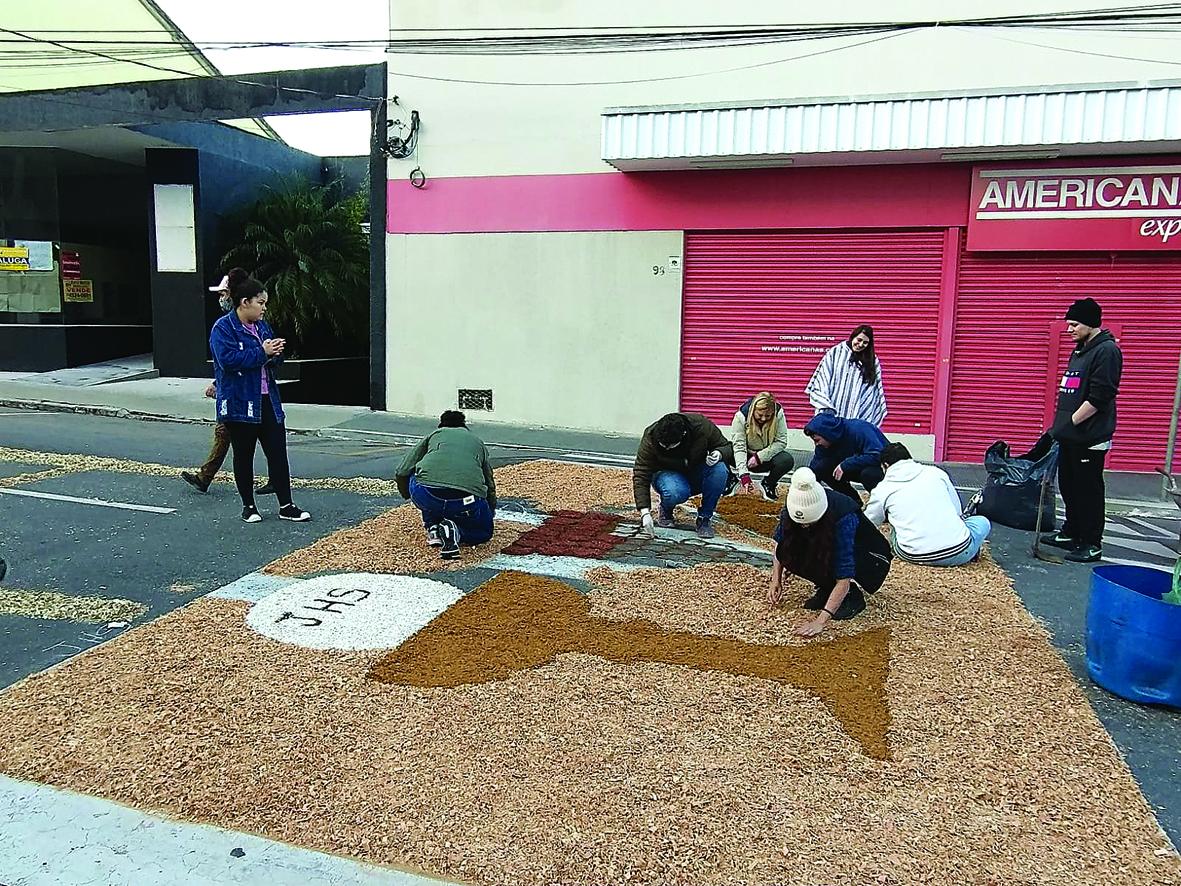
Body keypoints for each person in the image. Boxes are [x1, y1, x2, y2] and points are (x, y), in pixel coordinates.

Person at [209, 269, 310, 524]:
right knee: (243, 455)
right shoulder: (224, 328)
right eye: (261, 303)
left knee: (278, 452)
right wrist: (262, 352)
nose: (264, 309)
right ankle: (248, 506)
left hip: (267, 398)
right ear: (245, 303)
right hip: (239, 401)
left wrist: (275, 354)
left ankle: (287, 505)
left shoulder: (262, 326)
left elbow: (273, 359)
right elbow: (228, 361)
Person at [1041, 297, 1122, 563]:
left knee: (1088, 490)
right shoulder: (1080, 349)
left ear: (1090, 323)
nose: (1069, 329)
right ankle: (1072, 531)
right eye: (1068, 324)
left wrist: (1070, 422)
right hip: (1070, 434)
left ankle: (1091, 542)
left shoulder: (1106, 351)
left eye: (1074, 324)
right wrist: (1062, 427)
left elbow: (1100, 397)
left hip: (1090, 436)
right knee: (1069, 485)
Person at [768, 467, 893, 637]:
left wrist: (820, 621)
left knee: (827, 554)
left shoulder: (843, 514)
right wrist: (776, 580)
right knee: (792, 550)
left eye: (810, 522)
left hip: (870, 558)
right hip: (826, 542)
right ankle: (827, 588)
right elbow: (780, 544)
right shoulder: (790, 509)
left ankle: (850, 595)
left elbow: (844, 569)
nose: (805, 526)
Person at [180, 272, 273, 497]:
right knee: (235, 437)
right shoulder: (226, 325)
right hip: (235, 390)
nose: (220, 297)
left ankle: (212, 479)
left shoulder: (245, 324)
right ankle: (208, 476)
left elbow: (233, 360)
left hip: (241, 394)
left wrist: (267, 353)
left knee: (239, 438)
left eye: (223, 293)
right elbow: (227, 359)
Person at [866, 443, 991, 567]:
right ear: (909, 458)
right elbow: (957, 510)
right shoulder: (936, 473)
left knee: (895, 525)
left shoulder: (882, 489)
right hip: (959, 551)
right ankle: (972, 549)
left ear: (886, 466)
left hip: (911, 554)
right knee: (982, 521)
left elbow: (869, 522)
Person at [395, 410, 497, 560]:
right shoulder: (477, 442)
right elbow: (489, 481)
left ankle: (433, 528)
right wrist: (489, 510)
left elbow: (402, 470)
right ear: (464, 425)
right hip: (465, 501)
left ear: (441, 425)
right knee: (484, 533)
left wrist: (408, 494)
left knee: (420, 475)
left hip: (427, 495)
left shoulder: (434, 435)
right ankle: (457, 531)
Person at [634, 412, 732, 540]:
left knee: (719, 470)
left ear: (683, 435)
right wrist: (644, 512)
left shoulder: (701, 426)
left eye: (670, 445)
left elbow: (726, 446)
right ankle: (666, 509)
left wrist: (719, 453)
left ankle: (705, 518)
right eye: (663, 445)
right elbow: (641, 472)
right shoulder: (651, 436)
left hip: (695, 470)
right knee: (675, 491)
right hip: (666, 474)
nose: (666, 448)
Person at [805, 324, 888, 426]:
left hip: (856, 415)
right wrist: (826, 407)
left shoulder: (872, 360)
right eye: (859, 340)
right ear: (853, 336)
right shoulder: (835, 352)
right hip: (831, 412)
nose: (861, 344)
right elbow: (822, 381)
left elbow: (872, 392)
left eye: (865, 342)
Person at [804, 412, 889, 504]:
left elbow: (878, 455)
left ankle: (883, 504)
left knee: (868, 474)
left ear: (827, 434)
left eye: (817, 440)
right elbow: (817, 465)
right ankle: (853, 503)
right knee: (823, 469)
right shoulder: (824, 445)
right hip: (855, 467)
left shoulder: (859, 429)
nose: (816, 444)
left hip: (881, 468)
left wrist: (846, 464)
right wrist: (806, 483)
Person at [727, 391, 794, 501]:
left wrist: (759, 457)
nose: (763, 419)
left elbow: (781, 441)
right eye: (760, 415)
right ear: (753, 410)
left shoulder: (778, 414)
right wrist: (744, 475)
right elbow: (739, 446)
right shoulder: (740, 417)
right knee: (723, 452)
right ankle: (731, 482)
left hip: (765, 458)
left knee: (786, 460)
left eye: (768, 416)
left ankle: (768, 484)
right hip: (745, 455)